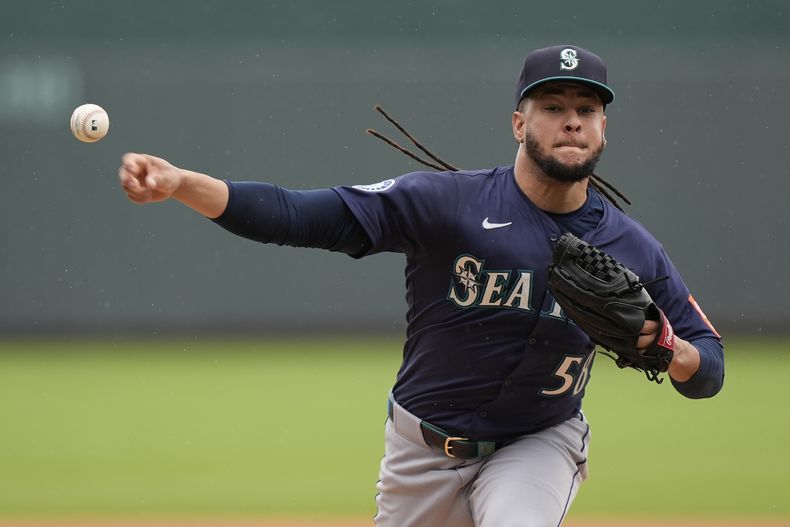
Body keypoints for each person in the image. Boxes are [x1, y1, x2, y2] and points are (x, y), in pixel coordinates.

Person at [118, 44, 724, 527]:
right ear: (519, 122)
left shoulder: (632, 247)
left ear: (603, 129)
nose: (571, 119)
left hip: (537, 442)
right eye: (552, 105)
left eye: (587, 109)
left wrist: (669, 349)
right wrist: (180, 184)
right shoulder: (448, 204)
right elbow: (300, 216)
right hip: (421, 452)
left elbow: (710, 369)